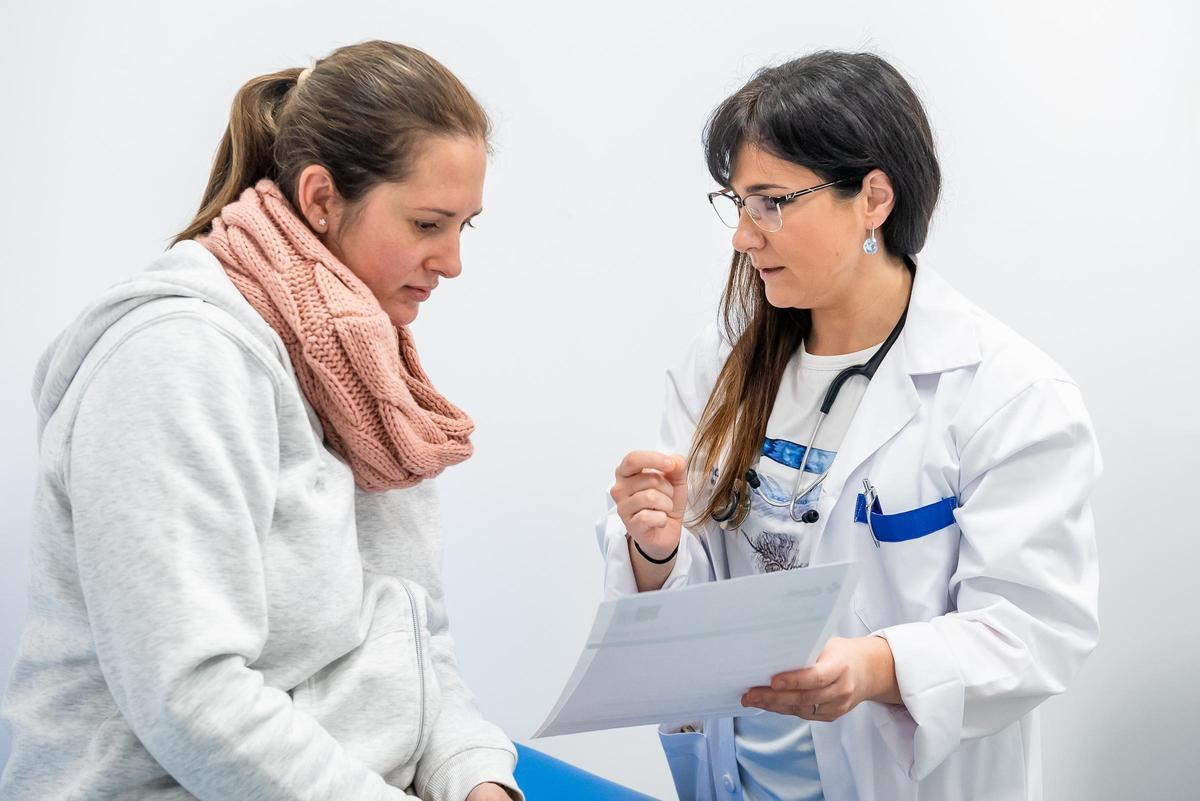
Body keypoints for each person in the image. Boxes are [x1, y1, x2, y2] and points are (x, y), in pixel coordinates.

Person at [0, 41, 520, 801]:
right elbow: (191, 697)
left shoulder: (364, 364)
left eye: (464, 227)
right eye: (426, 224)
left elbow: (414, 637)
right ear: (319, 198)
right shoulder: (173, 361)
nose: (452, 261)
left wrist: (476, 777)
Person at [599, 51, 1101, 801]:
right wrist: (654, 545)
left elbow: (1034, 631)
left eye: (771, 201)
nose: (743, 235)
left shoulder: (1004, 393)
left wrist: (877, 666)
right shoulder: (721, 364)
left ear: (873, 198)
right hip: (733, 778)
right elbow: (696, 590)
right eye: (735, 202)